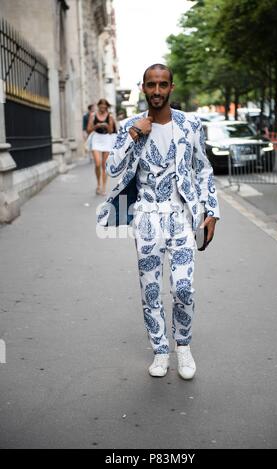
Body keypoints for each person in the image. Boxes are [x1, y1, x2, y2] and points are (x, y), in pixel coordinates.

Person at [96, 64, 220, 380]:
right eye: (151, 85)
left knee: (184, 288)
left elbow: (203, 169)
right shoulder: (128, 126)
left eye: (162, 84)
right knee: (151, 291)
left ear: (171, 87)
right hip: (147, 218)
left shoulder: (190, 124)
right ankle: (161, 351)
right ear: (143, 88)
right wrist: (135, 134)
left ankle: (183, 347)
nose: (157, 91)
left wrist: (211, 212)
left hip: (181, 219)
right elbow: (112, 170)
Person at [87, 99, 116, 195]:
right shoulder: (93, 115)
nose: (103, 108)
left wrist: (107, 126)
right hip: (96, 139)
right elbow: (88, 129)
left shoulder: (110, 116)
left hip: (106, 139)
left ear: (107, 107)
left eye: (105, 107)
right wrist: (97, 126)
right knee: (97, 164)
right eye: (101, 106)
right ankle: (98, 184)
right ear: (98, 106)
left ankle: (103, 188)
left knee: (104, 165)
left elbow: (111, 131)